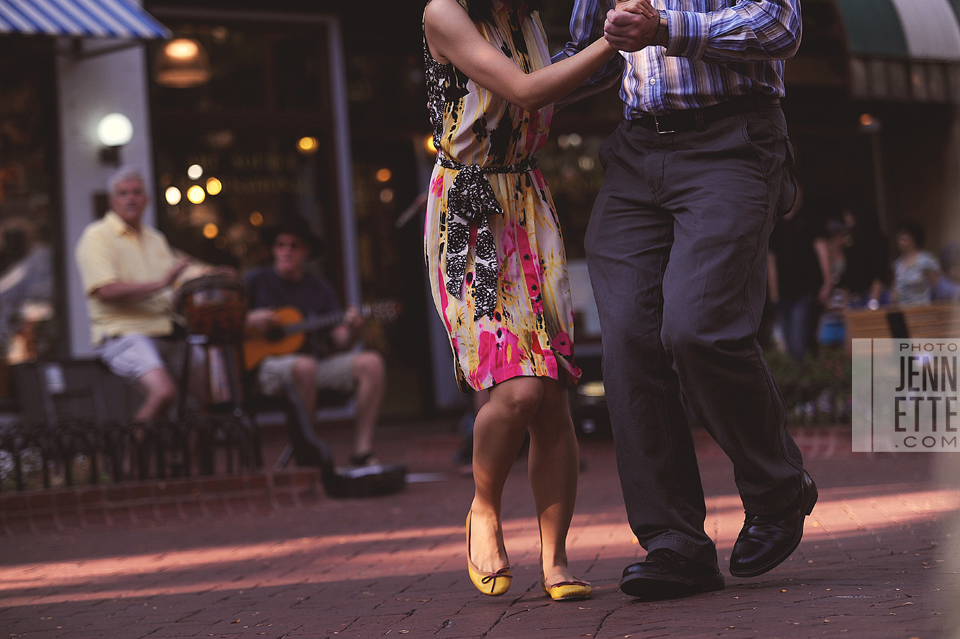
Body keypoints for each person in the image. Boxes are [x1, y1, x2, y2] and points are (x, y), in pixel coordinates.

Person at [556, 0, 816, 599]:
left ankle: (778, 489)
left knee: (698, 327)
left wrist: (665, 28)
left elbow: (780, 26)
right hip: (635, 151)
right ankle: (674, 542)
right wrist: (515, 90)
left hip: (734, 139)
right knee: (628, 343)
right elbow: (594, 53)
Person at [423, 0, 649, 601]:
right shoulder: (444, 12)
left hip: (527, 204)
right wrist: (615, 40)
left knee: (551, 396)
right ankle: (484, 507)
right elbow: (526, 91)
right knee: (517, 389)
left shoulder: (523, 16)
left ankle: (556, 559)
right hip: (470, 216)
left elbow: (554, 89)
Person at [244, 216, 386, 467]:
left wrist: (354, 330)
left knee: (371, 363)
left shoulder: (319, 288)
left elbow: (340, 341)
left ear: (306, 251)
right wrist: (249, 319)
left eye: (294, 246)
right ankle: (306, 451)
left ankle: (362, 451)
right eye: (281, 245)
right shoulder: (255, 281)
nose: (286, 251)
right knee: (304, 366)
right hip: (265, 368)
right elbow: (227, 321)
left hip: (312, 365)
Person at [75, 167, 207, 423]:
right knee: (164, 393)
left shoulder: (155, 238)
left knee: (213, 396)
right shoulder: (97, 236)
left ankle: (186, 450)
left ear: (147, 199)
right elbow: (106, 290)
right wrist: (161, 284)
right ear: (113, 202)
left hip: (167, 330)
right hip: (124, 332)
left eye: (137, 192)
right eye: (123, 194)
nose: (131, 199)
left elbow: (181, 278)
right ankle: (133, 450)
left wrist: (213, 274)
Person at [768, 191, 833, 362]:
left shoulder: (810, 218)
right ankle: (803, 375)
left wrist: (827, 282)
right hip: (783, 294)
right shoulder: (775, 225)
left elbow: (823, 252)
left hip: (806, 291)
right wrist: (774, 293)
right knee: (789, 345)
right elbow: (771, 261)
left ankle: (807, 375)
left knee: (800, 343)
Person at [891, 222, 940, 305]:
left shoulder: (927, 260)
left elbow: (936, 285)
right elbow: (896, 286)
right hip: (902, 307)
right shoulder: (897, 263)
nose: (901, 242)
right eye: (899, 239)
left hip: (921, 306)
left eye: (904, 239)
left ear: (914, 239)